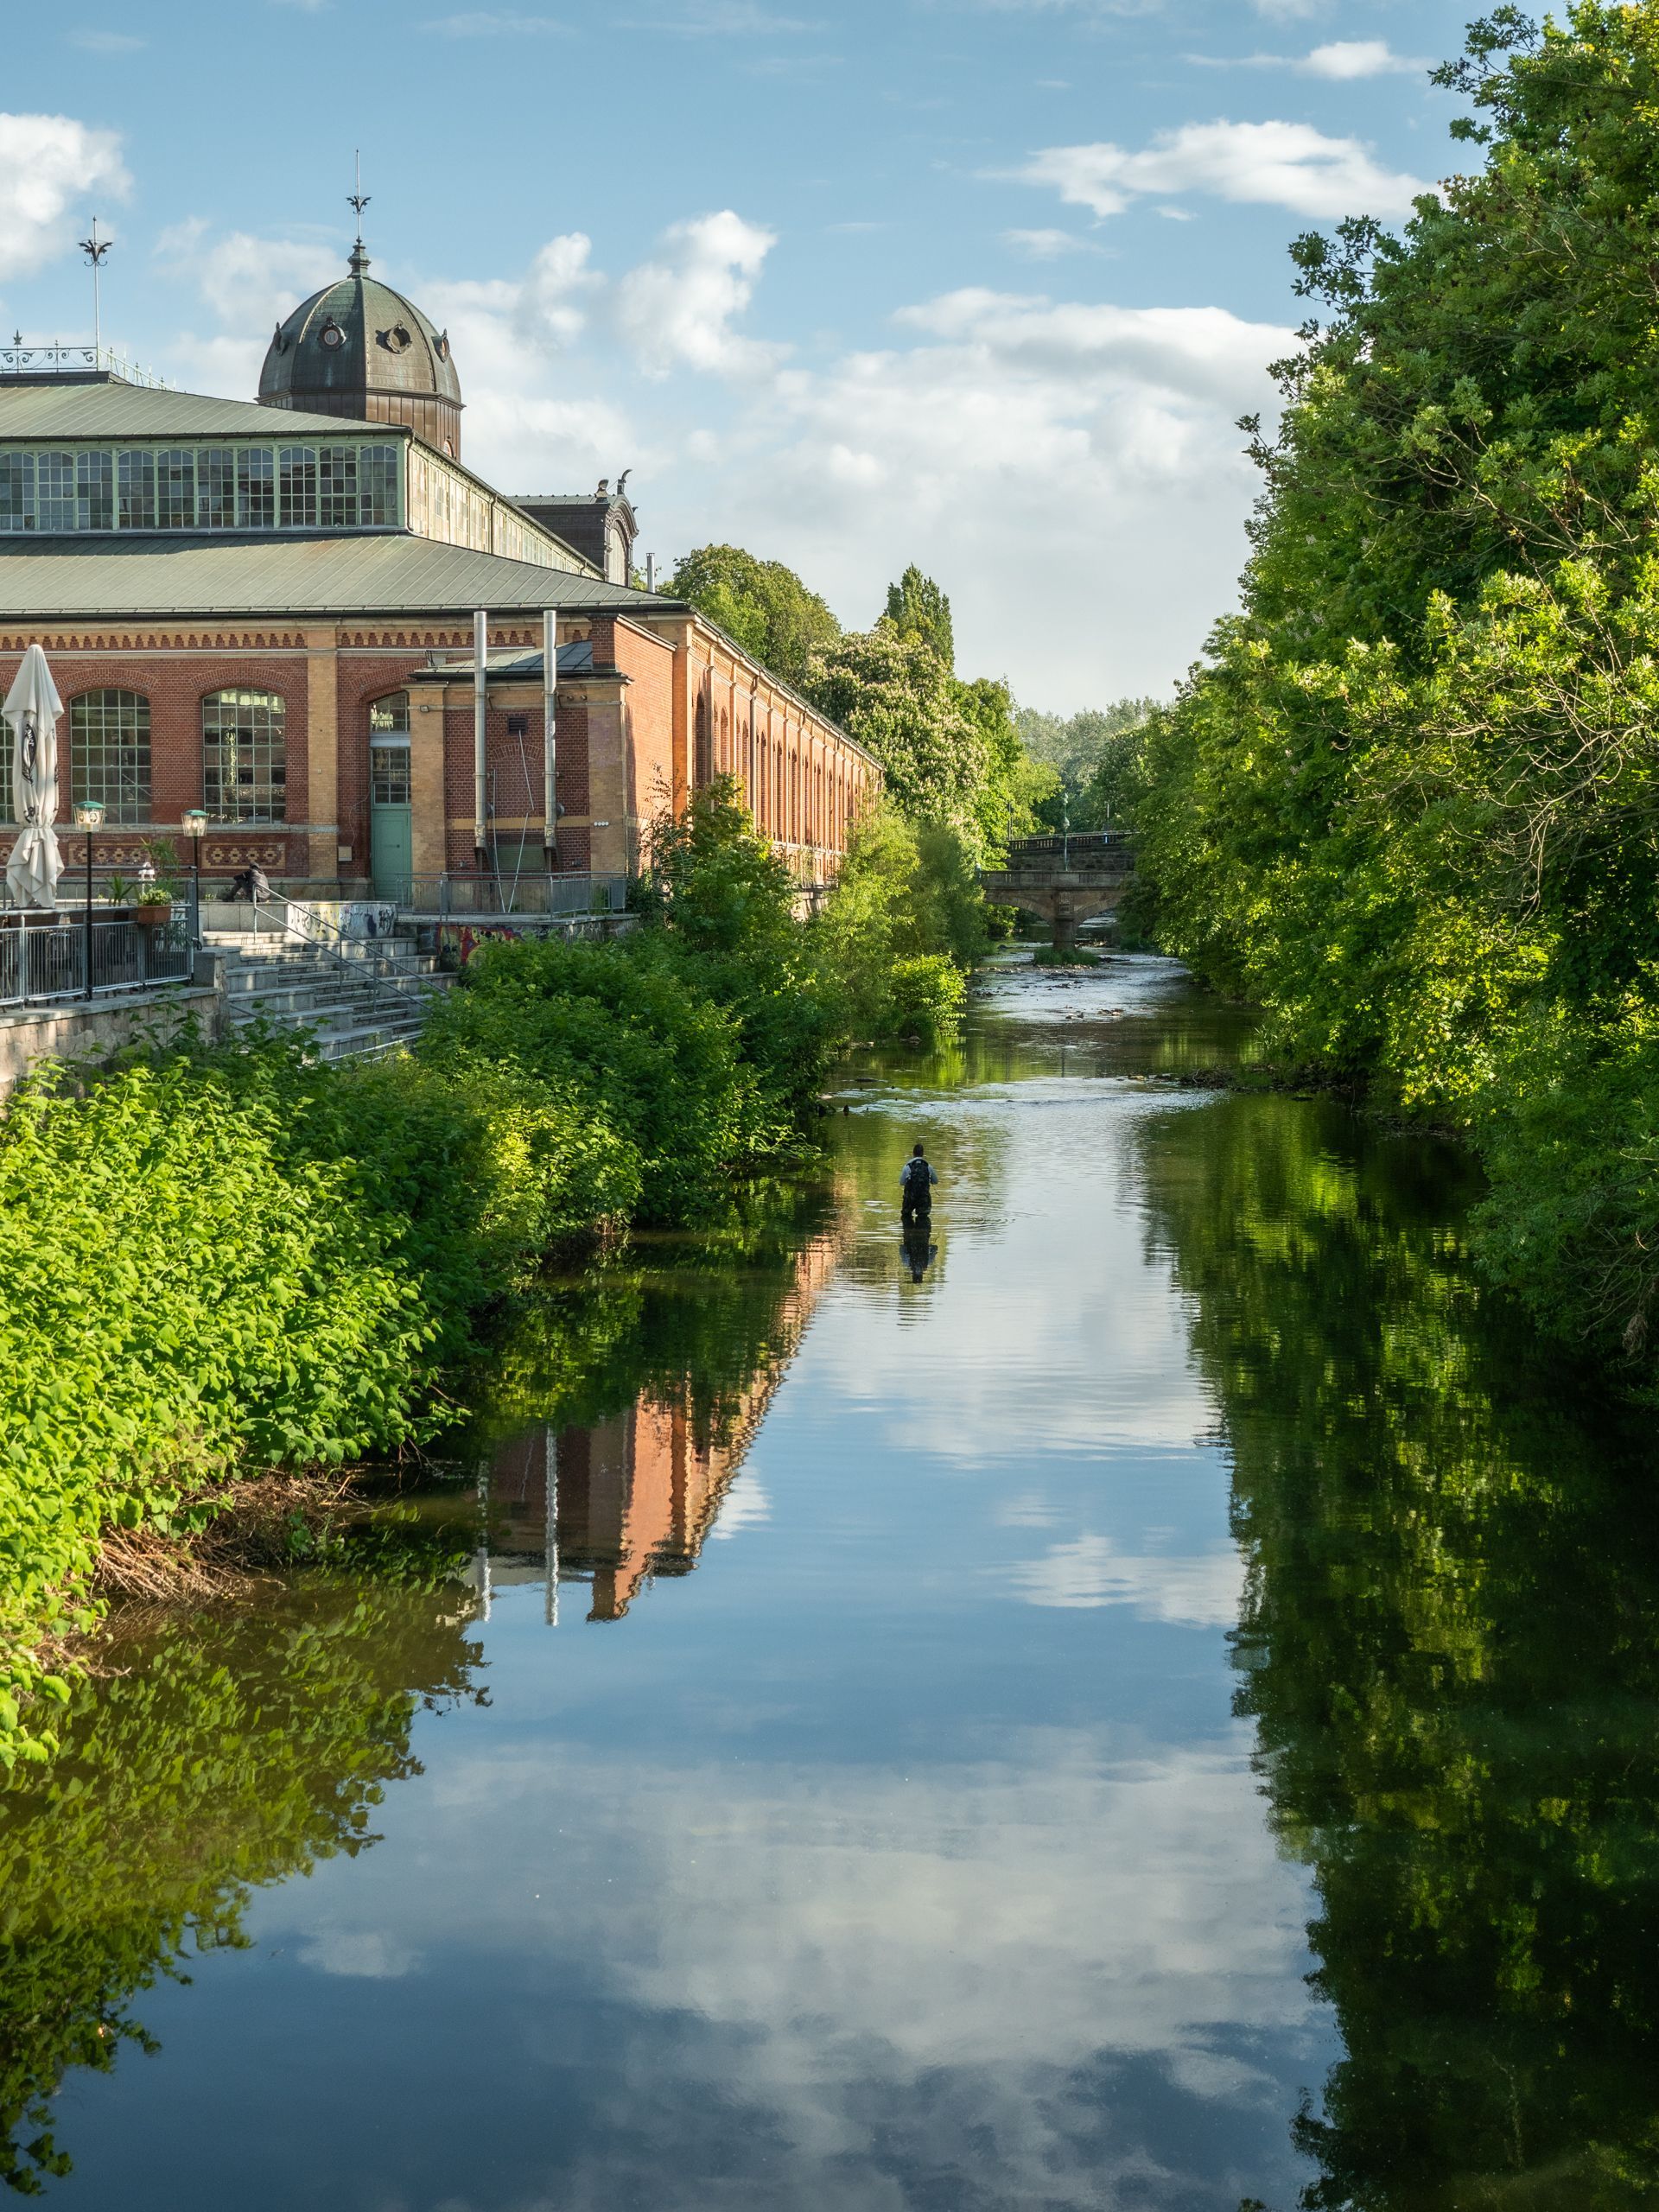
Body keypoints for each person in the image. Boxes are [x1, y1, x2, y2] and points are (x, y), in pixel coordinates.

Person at [900, 1142, 938, 1227]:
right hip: (923, 1199)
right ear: (923, 1154)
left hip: (910, 1198)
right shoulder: (928, 1167)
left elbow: (901, 1182)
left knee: (906, 1217)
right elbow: (935, 1181)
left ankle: (909, 1235)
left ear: (913, 1153)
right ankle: (922, 1236)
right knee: (923, 1219)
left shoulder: (907, 1166)